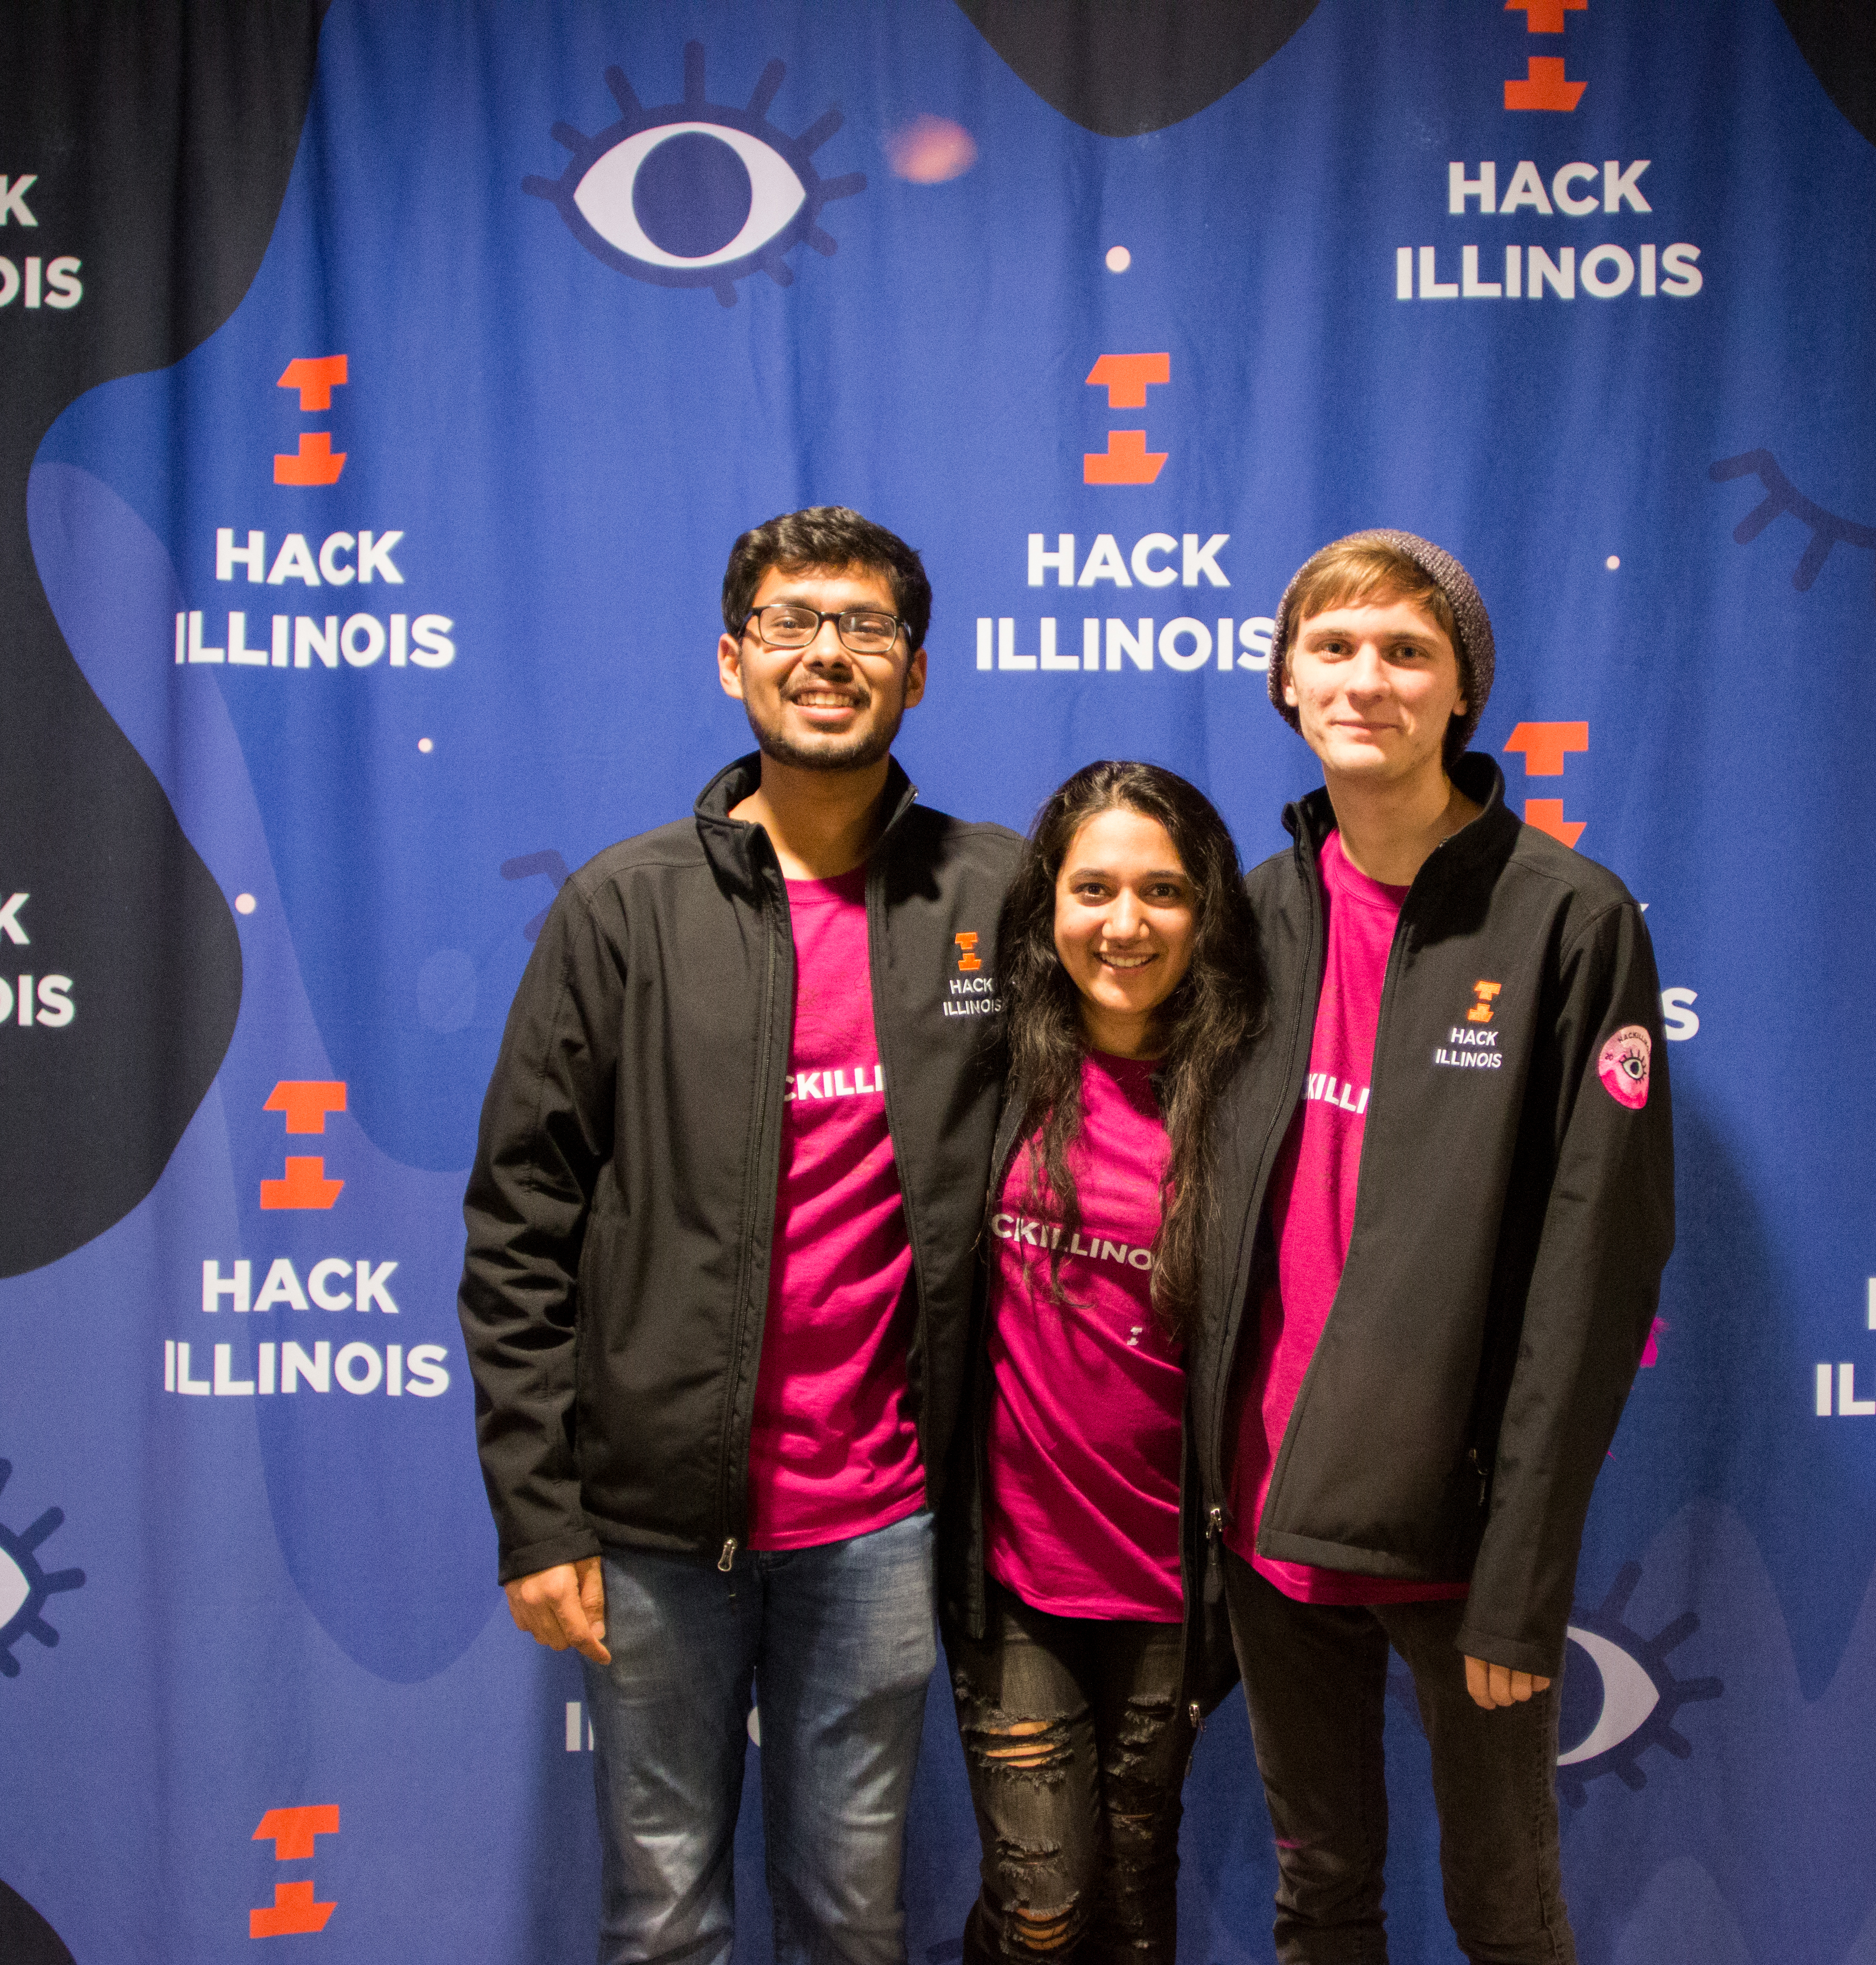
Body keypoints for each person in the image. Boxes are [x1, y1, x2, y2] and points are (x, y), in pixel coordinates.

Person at [458, 506, 1020, 1965]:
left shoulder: (1000, 900)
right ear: (731, 661)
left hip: (884, 1518)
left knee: (852, 1920)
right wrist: (540, 1514)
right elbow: (521, 1224)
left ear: (918, 671)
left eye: (868, 627)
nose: (829, 654)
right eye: (791, 623)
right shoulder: (624, 910)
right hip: (651, 1527)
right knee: (661, 1924)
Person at [1186, 531, 1676, 1964]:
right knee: (1320, 1900)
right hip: (1267, 1523)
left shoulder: (1568, 920)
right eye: (1333, 648)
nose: (1367, 681)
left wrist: (1524, 1581)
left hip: (1460, 1544)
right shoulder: (1249, 911)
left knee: (1505, 1914)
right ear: (1286, 679)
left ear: (1464, 692)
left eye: (1408, 651)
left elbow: (1597, 1272)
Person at [941, 761, 1264, 1964]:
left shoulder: (1248, 1095)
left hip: (1176, 1590)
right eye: (1094, 889)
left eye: (1163, 891)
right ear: (1048, 906)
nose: (1125, 925)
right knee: (1044, 1910)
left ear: (1208, 910)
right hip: (1017, 1578)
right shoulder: (985, 1077)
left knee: (1132, 1904)